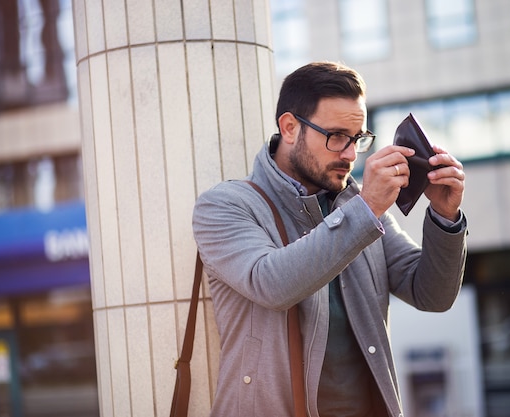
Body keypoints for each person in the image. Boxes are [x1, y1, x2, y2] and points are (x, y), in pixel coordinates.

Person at [192, 61, 467, 417]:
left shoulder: (358, 206)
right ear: (289, 128)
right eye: (336, 136)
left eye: (359, 139)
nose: (351, 154)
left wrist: (445, 218)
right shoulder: (225, 205)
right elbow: (272, 284)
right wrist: (366, 209)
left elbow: (432, 295)